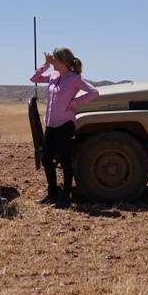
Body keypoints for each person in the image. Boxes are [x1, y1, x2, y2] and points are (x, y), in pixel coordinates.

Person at [30, 47, 99, 208]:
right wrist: (46, 65)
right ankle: (52, 194)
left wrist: (75, 103)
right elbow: (34, 78)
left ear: (63, 61)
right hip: (51, 123)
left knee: (65, 159)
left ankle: (65, 197)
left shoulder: (74, 78)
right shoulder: (53, 75)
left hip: (65, 124)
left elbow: (94, 92)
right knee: (46, 158)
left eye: (55, 59)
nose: (53, 61)